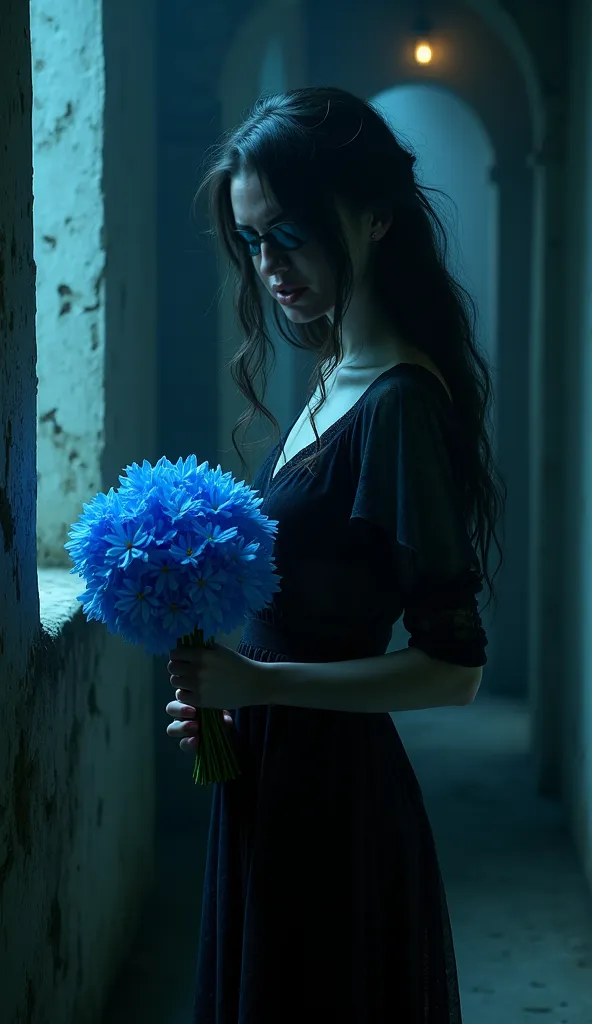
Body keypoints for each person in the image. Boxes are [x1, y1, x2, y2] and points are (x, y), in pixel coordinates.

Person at [165, 86, 504, 1024]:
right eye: (251, 241)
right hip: (271, 776)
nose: (270, 266)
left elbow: (453, 673)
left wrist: (260, 685)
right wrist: (232, 691)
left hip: (334, 803)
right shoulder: (331, 374)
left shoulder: (396, 403)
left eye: (291, 233)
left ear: (374, 216)